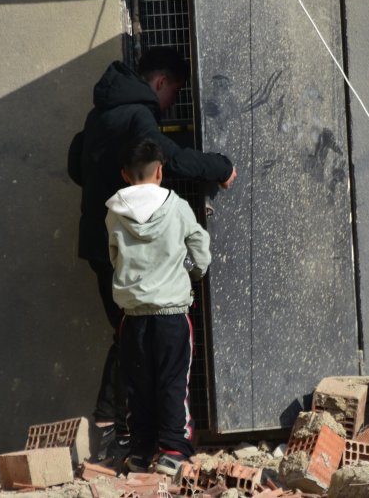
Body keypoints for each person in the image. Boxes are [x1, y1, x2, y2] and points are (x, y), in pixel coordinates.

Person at [67, 47, 235, 460]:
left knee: (126, 335)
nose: (171, 104)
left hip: (99, 240)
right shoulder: (139, 115)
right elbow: (171, 159)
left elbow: (75, 164)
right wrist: (218, 166)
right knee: (139, 346)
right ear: (160, 83)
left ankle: (125, 434)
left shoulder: (99, 114)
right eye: (174, 93)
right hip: (133, 257)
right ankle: (120, 429)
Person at [105, 138, 210, 475]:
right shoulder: (177, 207)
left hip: (133, 317)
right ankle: (173, 450)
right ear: (161, 171)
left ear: (124, 174)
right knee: (172, 382)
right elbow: (199, 248)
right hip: (171, 315)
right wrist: (191, 272)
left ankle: (140, 451)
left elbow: (114, 256)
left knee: (138, 386)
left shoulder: (114, 213)